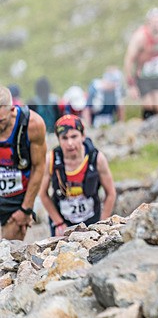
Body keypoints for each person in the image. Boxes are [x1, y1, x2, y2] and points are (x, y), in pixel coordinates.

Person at [38, 115, 116, 236]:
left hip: (92, 219)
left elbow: (111, 193)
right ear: (58, 139)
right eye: (64, 138)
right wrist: (58, 223)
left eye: (74, 137)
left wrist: (103, 223)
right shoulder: (51, 160)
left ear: (83, 136)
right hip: (63, 220)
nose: (70, 143)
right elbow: (43, 194)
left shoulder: (97, 158)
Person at [0, 86, 47, 241]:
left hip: (17, 197)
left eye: (1, 121)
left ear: (12, 109)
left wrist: (26, 209)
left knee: (10, 253)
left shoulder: (33, 125)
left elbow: (39, 167)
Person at [123, 7, 158, 120]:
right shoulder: (140, 37)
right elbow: (128, 60)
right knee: (149, 106)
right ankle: (147, 131)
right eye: (156, 22)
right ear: (149, 22)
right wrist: (131, 85)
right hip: (143, 76)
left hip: (157, 74)